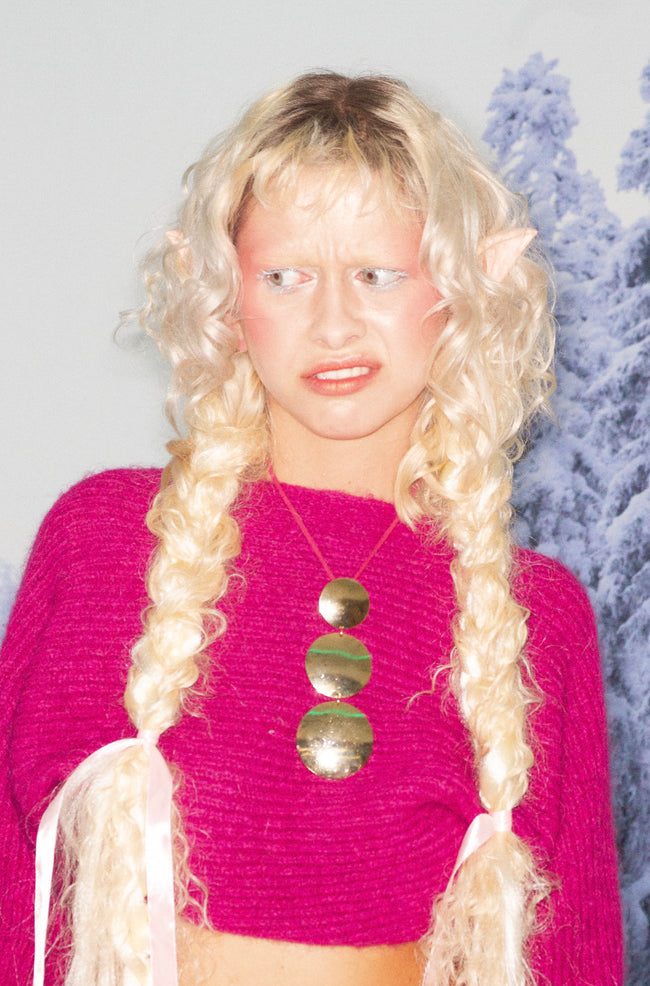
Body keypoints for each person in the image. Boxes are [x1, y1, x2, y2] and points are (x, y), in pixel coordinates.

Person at [0, 72, 623, 986]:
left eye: (378, 275)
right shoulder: (103, 542)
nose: (333, 324)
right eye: (285, 277)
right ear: (226, 299)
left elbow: (574, 956)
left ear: (461, 290)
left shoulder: (539, 615)